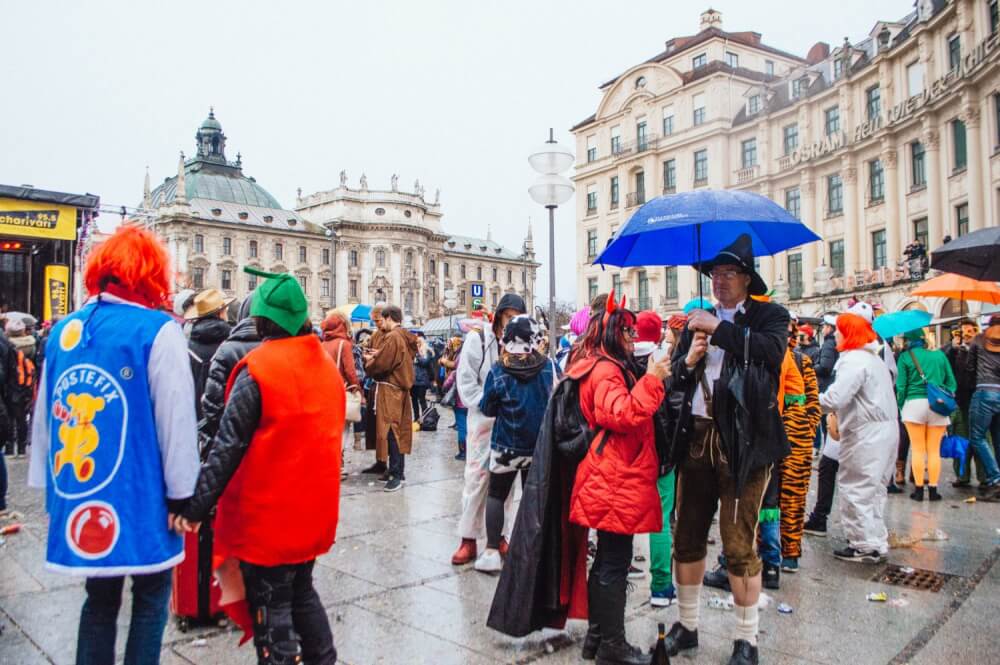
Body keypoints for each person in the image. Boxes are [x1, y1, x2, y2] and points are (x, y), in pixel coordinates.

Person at [27, 226, 200, 665]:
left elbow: (46, 412)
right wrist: (184, 493)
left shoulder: (65, 331)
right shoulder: (158, 330)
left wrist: (48, 485)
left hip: (82, 491)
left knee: (99, 599)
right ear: (151, 276)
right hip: (142, 494)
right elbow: (176, 420)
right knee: (151, 594)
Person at [178, 266, 343, 665]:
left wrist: (196, 507)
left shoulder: (259, 371)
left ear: (261, 318)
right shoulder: (325, 367)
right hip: (314, 512)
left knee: (273, 607)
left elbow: (226, 446)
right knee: (302, 591)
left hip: (271, 518)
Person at [662, 234, 789, 665]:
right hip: (696, 441)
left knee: (738, 545)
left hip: (744, 444)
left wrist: (722, 330)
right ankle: (688, 625)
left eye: (728, 273)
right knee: (687, 537)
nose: (719, 281)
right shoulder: (696, 320)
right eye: (714, 274)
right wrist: (690, 359)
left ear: (746, 278)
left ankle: (746, 639)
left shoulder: (771, 315)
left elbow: (772, 355)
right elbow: (675, 381)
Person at [568, 293, 670, 664]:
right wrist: (654, 379)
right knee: (613, 560)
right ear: (611, 332)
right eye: (626, 330)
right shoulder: (606, 369)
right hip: (613, 475)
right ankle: (612, 645)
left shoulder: (603, 362)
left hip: (612, 473)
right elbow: (623, 414)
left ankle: (598, 638)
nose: (632, 336)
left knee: (609, 559)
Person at [474, 316, 557, 574]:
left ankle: (490, 552)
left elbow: (487, 408)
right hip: (539, 447)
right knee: (534, 498)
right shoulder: (548, 367)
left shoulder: (499, 370)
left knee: (497, 495)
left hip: (506, 446)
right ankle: (533, 552)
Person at [452, 294, 527, 565]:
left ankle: (500, 535)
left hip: (509, 422)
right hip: (483, 419)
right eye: (508, 316)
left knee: (505, 483)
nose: (510, 323)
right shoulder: (478, 339)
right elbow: (466, 382)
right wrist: (489, 403)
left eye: (516, 317)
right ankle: (468, 538)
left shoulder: (521, 343)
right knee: (476, 478)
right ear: (498, 315)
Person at [818, 313, 898, 562]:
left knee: (857, 486)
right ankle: (875, 540)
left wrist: (808, 401)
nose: (835, 334)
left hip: (866, 432)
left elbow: (836, 398)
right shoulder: (874, 359)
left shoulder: (854, 360)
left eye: (839, 330)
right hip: (885, 430)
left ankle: (863, 545)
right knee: (874, 488)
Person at [630, 310, 677, 608]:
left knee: (624, 514)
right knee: (660, 521)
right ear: (657, 335)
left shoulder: (620, 362)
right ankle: (661, 586)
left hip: (629, 454)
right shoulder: (663, 365)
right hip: (660, 455)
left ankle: (623, 568)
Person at [896, 328, 957, 501]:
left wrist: (902, 406)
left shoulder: (905, 357)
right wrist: (942, 396)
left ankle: (918, 490)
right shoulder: (939, 356)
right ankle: (933, 489)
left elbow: (901, 386)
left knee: (917, 449)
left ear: (909, 340)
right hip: (937, 405)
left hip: (913, 405)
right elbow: (951, 383)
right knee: (933, 450)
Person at [364, 305, 418, 492]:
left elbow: (382, 365)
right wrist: (378, 355)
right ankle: (396, 471)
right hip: (397, 389)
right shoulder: (402, 335)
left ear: (388, 318)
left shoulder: (394, 336)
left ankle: (397, 473)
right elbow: (395, 358)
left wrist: (370, 362)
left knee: (392, 432)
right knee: (397, 431)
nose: (381, 324)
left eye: (382, 320)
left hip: (391, 390)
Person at [199, 294, 261, 453]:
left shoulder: (227, 349)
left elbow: (212, 405)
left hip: (227, 446)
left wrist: (227, 437)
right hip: (265, 448)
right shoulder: (278, 350)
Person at [185, 288, 234, 422]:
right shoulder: (231, 347)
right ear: (221, 313)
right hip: (223, 423)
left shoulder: (184, 348)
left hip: (190, 421)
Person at [966, 315, 1000, 501]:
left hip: (984, 391)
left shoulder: (979, 339)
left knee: (977, 436)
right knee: (998, 439)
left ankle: (996, 478)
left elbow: (969, 367)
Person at [321, 309, 361, 461]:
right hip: (340, 391)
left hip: (325, 392)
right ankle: (338, 461)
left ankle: (330, 459)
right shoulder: (344, 344)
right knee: (343, 428)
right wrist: (357, 388)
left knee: (330, 428)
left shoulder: (322, 344)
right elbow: (350, 371)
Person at [947, 320, 983, 487]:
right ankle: (962, 476)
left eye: (971, 331)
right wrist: (952, 349)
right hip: (960, 403)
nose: (967, 335)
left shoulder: (982, 350)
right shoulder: (953, 351)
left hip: (979, 403)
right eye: (963, 332)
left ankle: (985, 477)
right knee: (960, 439)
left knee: (982, 441)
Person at [4, 318, 36, 457]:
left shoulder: (7, 346)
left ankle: (10, 446)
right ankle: (22, 448)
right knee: (22, 417)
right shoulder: (32, 344)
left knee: (9, 417)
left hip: (10, 385)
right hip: (26, 385)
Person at [362, 306, 388, 474]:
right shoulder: (376, 334)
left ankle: (390, 464)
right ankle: (379, 461)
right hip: (375, 384)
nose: (377, 324)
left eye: (379, 320)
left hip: (388, 388)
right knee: (375, 426)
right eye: (375, 321)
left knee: (387, 429)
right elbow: (367, 354)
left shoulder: (394, 336)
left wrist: (376, 356)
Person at [439, 336, 468, 460]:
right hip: (473, 403)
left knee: (462, 427)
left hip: (460, 403)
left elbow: (446, 386)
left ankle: (463, 453)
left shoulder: (457, 372)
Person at [411, 334, 433, 420]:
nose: (417, 344)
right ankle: (416, 418)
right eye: (416, 343)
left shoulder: (427, 352)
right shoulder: (413, 352)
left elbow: (425, 362)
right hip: (413, 380)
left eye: (418, 343)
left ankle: (424, 418)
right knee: (414, 400)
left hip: (422, 380)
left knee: (422, 400)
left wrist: (417, 355)